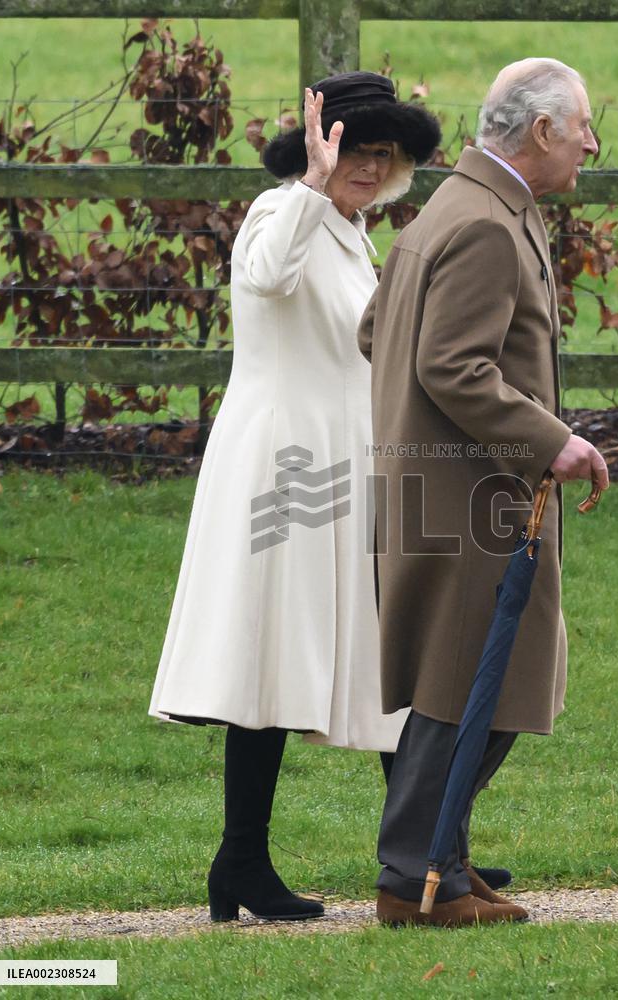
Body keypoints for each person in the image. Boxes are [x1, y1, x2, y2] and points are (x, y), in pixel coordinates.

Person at [149, 71, 440, 923]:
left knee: (379, 646)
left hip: (344, 464)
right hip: (281, 463)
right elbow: (268, 278)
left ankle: (419, 853)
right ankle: (243, 862)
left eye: (384, 154)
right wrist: (312, 184)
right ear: (321, 147)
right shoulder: (284, 211)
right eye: (355, 148)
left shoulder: (353, 232)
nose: (368, 166)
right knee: (273, 655)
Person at [358, 57, 610, 927]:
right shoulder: (488, 227)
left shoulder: (458, 209)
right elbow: (449, 363)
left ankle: (443, 867)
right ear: (542, 131)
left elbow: (374, 330)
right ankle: (413, 881)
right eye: (583, 127)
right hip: (473, 500)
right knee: (474, 684)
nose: (592, 144)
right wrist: (555, 440)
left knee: (468, 680)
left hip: (445, 489)